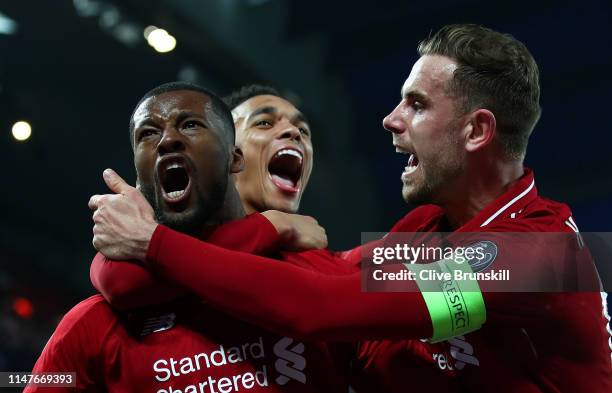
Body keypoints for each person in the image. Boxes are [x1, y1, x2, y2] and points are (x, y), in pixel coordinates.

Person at [89, 25, 612, 392]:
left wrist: (152, 243)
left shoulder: (542, 257)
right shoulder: (427, 230)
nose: (389, 118)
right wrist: (124, 255)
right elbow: (319, 279)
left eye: (417, 104)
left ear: (476, 131)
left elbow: (320, 307)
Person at [26, 82, 350, 393]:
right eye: (263, 122)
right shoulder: (94, 320)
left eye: (192, 125)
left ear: (233, 157)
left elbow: (394, 287)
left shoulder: (326, 272)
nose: (168, 140)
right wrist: (271, 226)